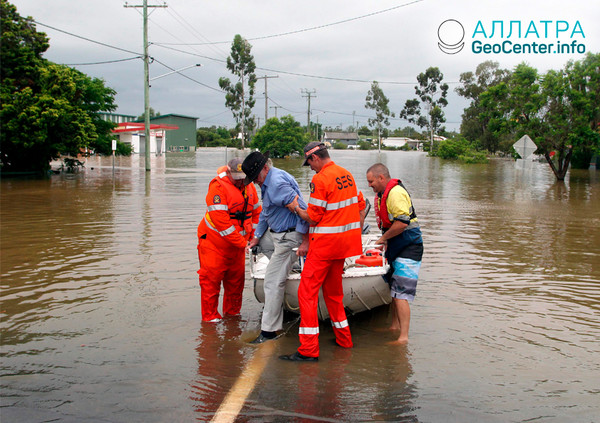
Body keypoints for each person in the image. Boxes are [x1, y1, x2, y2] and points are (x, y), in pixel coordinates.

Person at [280, 142, 362, 362]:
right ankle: (345, 340)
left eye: (309, 164)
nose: (310, 169)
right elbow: (361, 204)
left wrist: (296, 208)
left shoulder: (320, 179)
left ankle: (308, 350)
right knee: (334, 295)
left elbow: (313, 216)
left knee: (306, 294)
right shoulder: (347, 175)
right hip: (344, 247)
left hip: (325, 247)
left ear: (315, 159)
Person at [242, 151, 310, 344]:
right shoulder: (269, 179)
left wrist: (305, 241)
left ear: (265, 168)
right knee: (262, 242)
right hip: (277, 234)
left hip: (289, 237)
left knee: (271, 282)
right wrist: (256, 238)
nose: (255, 182)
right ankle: (290, 266)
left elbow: (303, 211)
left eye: (255, 178)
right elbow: (265, 212)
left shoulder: (277, 184)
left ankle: (269, 331)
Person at [196, 158, 261, 322]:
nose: (240, 181)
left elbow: (256, 214)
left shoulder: (249, 186)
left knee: (236, 284)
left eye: (243, 178)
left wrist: (254, 237)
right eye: (237, 178)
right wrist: (244, 244)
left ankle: (232, 317)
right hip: (214, 244)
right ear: (229, 172)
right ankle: (210, 320)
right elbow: (223, 225)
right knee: (211, 282)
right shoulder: (217, 188)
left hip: (238, 246)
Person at [366, 163, 423, 344]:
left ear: (381, 178)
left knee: (401, 293)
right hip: (398, 245)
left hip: (410, 246)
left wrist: (382, 239)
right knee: (394, 289)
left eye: (371, 181)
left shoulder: (396, 193)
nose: (369, 185)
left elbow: (402, 223)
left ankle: (403, 338)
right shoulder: (384, 194)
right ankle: (394, 327)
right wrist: (387, 241)